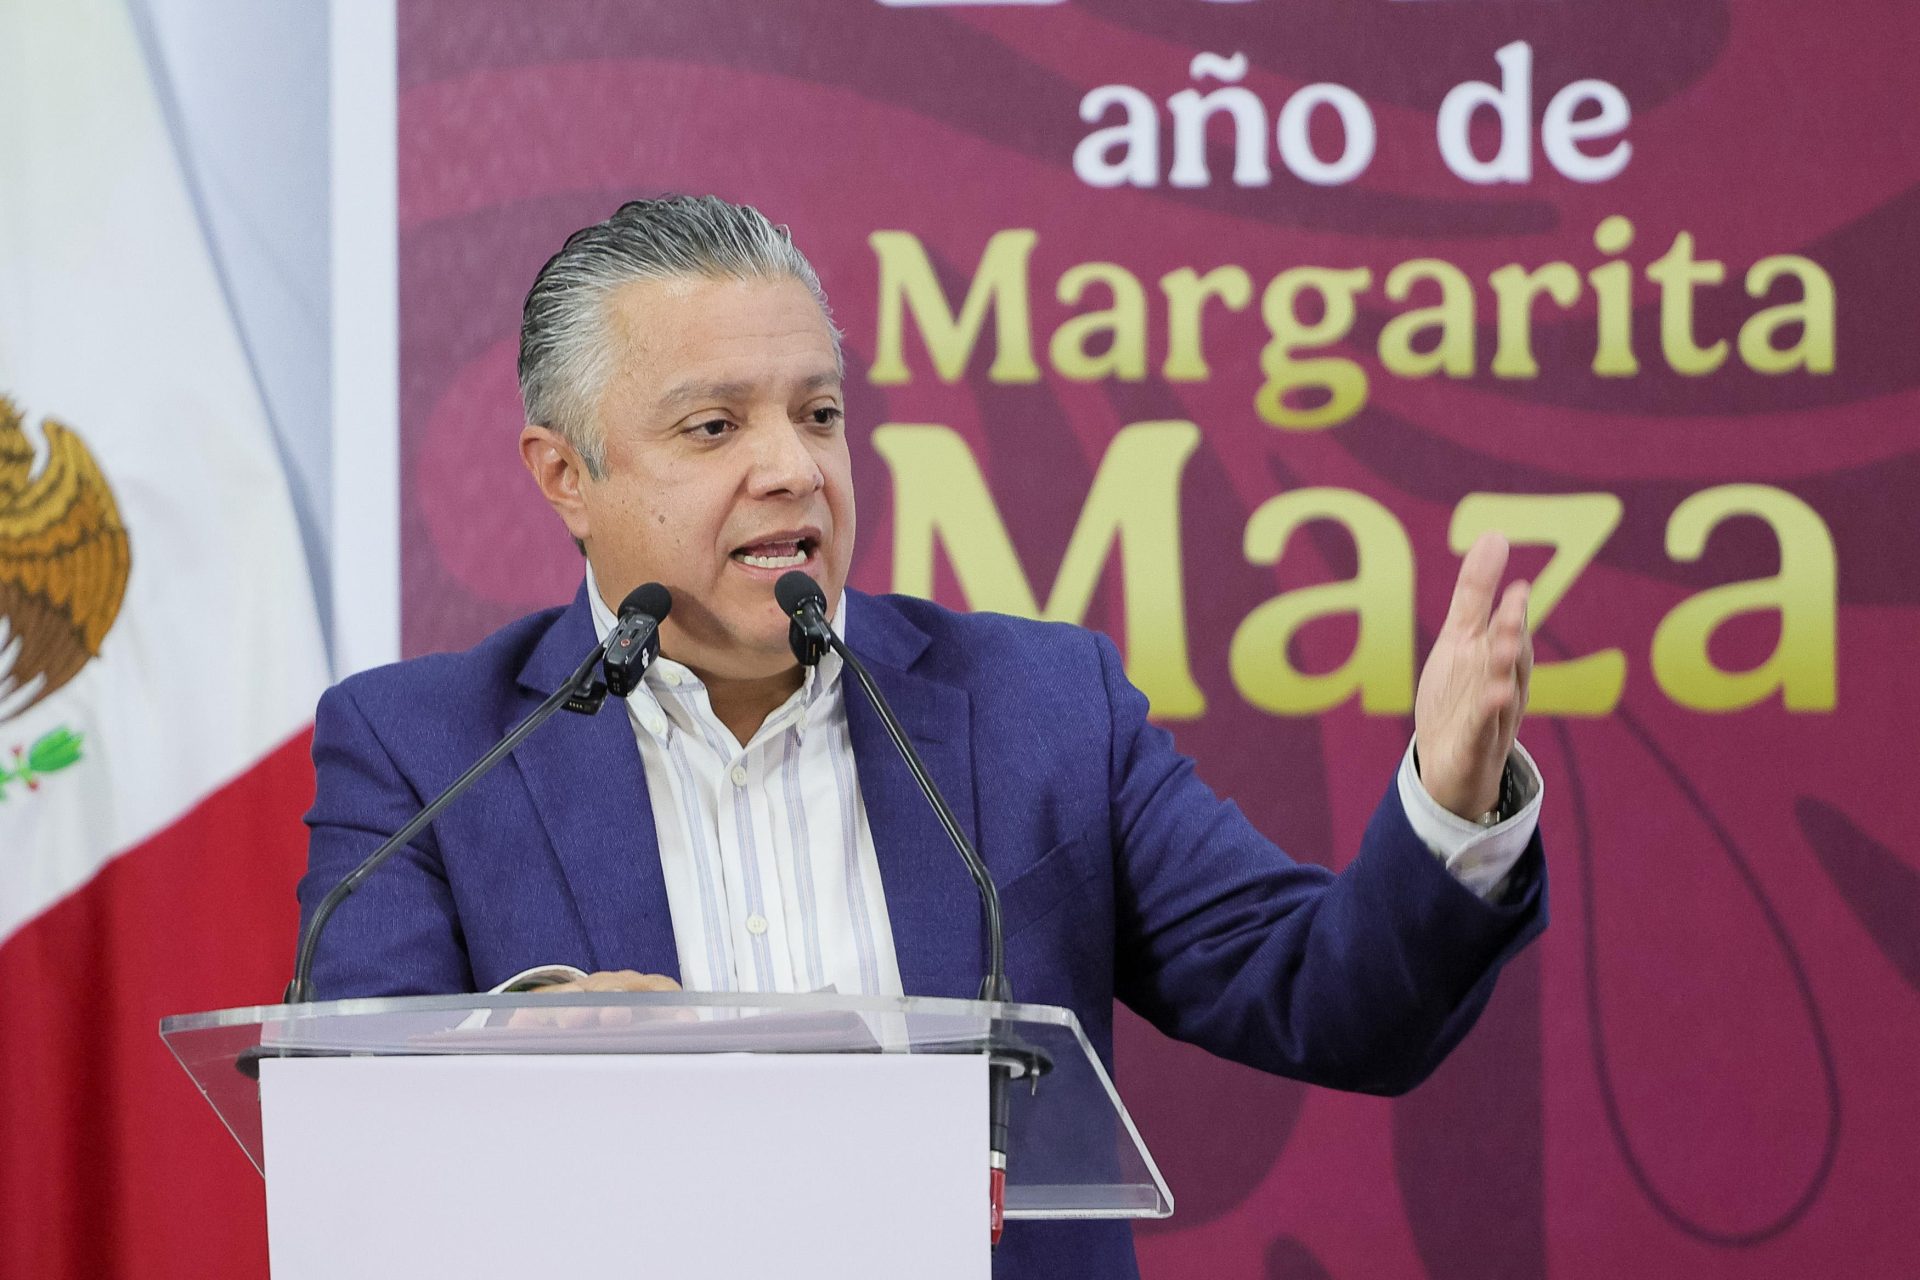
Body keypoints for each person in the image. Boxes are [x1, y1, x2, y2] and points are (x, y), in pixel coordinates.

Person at [300, 195, 1546, 1279]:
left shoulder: (1041, 707)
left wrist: (1453, 803)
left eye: (819, 413)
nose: (794, 468)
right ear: (565, 473)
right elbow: (350, 1143)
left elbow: (1333, 999)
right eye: (715, 427)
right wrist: (513, 1040)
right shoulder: (422, 748)